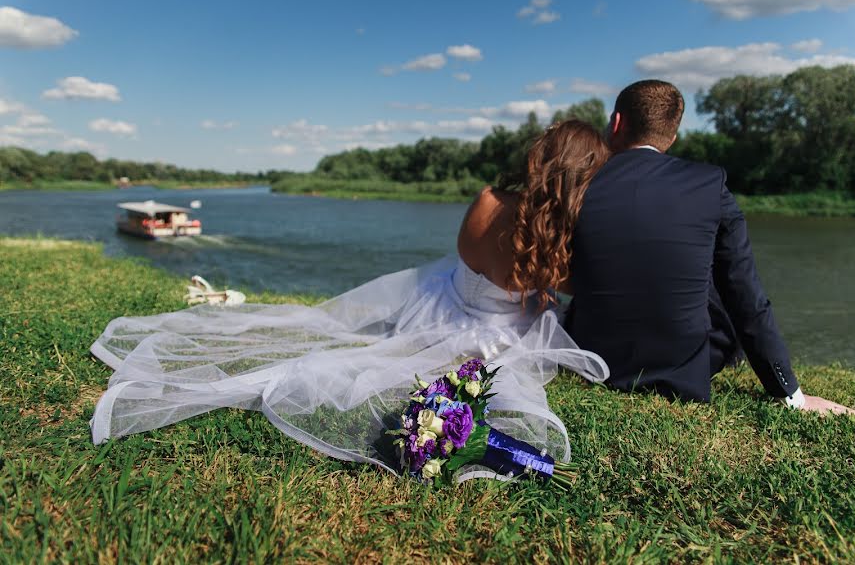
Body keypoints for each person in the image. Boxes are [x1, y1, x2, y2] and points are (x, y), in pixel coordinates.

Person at [89, 120, 612, 477]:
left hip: (438, 308)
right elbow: (559, 288)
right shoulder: (562, 240)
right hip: (501, 335)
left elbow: (464, 255)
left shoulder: (487, 201)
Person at [566, 80, 855, 415]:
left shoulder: (578, 183)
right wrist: (791, 394)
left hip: (590, 356)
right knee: (720, 279)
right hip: (683, 369)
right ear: (671, 136)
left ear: (616, 123)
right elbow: (745, 291)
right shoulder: (709, 182)